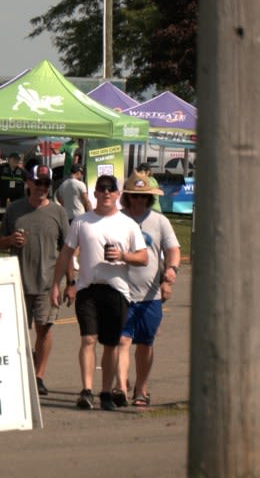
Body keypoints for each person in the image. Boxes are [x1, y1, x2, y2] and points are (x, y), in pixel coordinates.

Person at [50, 174, 148, 411]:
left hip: (117, 291)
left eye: (110, 189)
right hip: (87, 289)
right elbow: (66, 253)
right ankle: (86, 391)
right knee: (88, 339)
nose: (106, 193)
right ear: (94, 194)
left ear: (117, 195)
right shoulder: (82, 222)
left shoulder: (128, 224)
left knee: (111, 344)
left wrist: (123, 256)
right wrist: (58, 283)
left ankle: (105, 392)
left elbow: (143, 257)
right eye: (102, 189)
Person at [0, 164, 72, 397]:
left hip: (48, 283)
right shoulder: (15, 209)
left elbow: (67, 250)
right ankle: (20, 370)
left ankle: (39, 376)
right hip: (18, 281)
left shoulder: (58, 212)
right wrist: (11, 239)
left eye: (46, 184)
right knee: (17, 331)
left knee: (44, 329)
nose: (41, 187)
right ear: (27, 183)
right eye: (37, 182)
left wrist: (71, 283)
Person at [116, 171, 181, 407]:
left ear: (149, 199)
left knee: (144, 345)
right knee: (122, 341)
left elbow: (173, 249)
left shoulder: (159, 221)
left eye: (143, 197)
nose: (138, 200)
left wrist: (171, 270)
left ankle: (141, 388)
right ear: (127, 196)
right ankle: (121, 387)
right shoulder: (118, 219)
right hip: (121, 292)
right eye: (134, 196)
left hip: (150, 295)